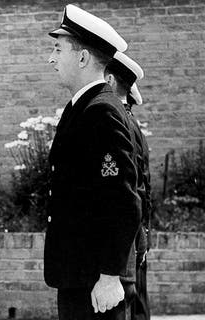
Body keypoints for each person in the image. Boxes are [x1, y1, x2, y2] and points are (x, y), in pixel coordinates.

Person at [44, 5, 141, 320]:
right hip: (79, 274)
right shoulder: (81, 107)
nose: (51, 58)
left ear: (83, 57)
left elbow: (123, 199)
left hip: (94, 280)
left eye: (58, 49)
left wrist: (111, 275)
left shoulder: (101, 111)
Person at [104, 52, 151, 320]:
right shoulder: (130, 122)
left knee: (131, 305)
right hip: (136, 226)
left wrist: (139, 234)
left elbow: (134, 186)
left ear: (110, 80)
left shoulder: (122, 122)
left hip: (130, 230)